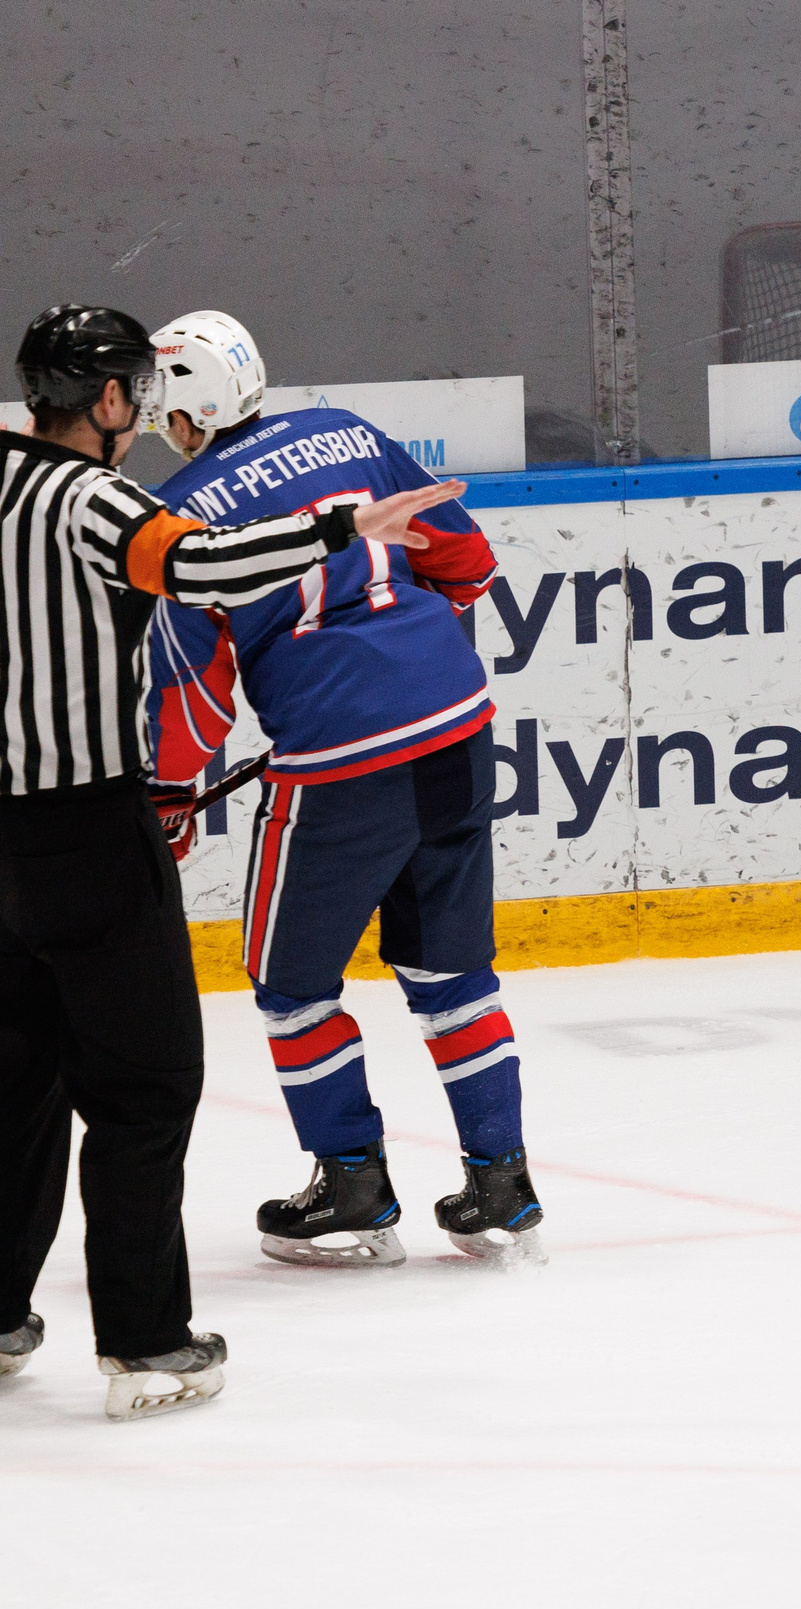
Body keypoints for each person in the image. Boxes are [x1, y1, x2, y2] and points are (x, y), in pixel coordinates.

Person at [0, 303, 465, 1420]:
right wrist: (340, 533)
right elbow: (205, 568)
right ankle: (149, 1345)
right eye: (133, 398)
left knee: (13, 1082)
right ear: (109, 402)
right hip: (90, 834)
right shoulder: (94, 499)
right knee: (144, 1089)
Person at [143, 310, 543, 1269]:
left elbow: (195, 696)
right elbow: (467, 560)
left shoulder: (182, 517)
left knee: (290, 987)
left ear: (186, 407)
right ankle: (503, 1184)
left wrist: (166, 796)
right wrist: (411, 653)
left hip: (339, 765)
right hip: (456, 726)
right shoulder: (348, 431)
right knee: (452, 974)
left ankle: (354, 1185)